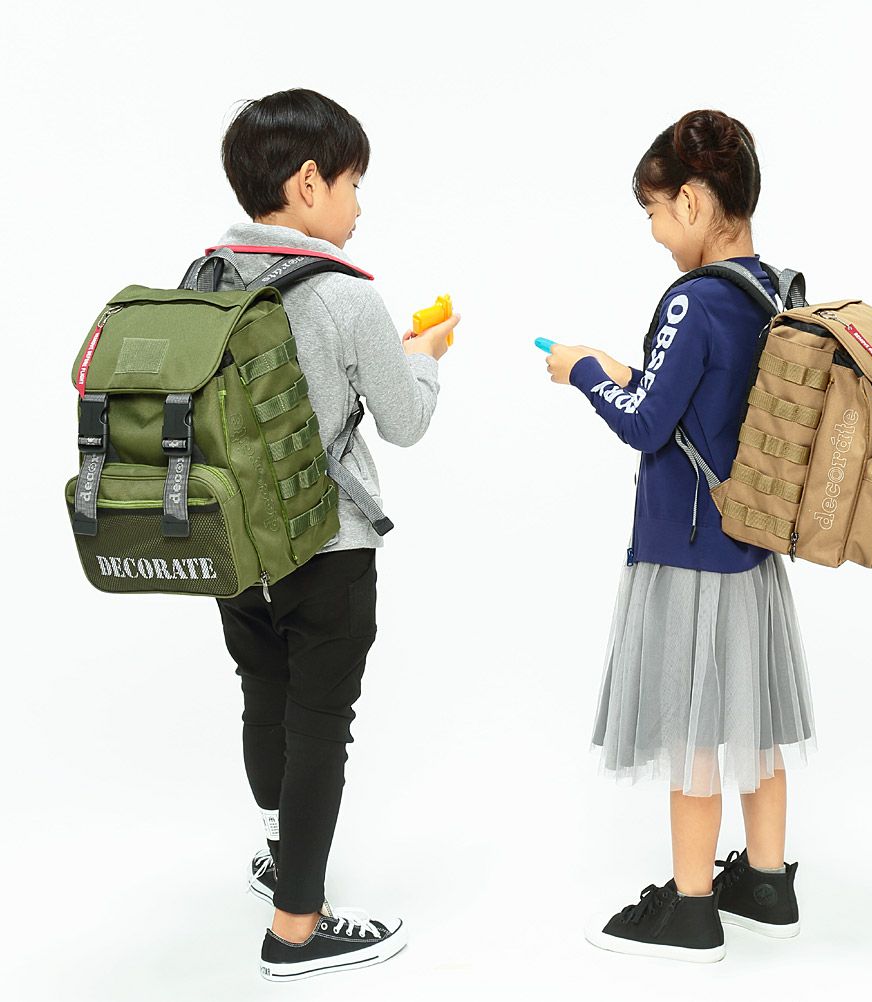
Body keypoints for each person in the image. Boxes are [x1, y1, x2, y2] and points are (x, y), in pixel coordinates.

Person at [541, 109, 816, 963]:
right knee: (756, 724)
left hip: (687, 547)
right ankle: (766, 883)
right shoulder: (772, 290)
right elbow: (708, 401)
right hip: (751, 548)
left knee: (693, 730)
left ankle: (692, 908)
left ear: (693, 202)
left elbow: (647, 424)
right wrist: (629, 371)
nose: (658, 233)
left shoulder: (692, 299)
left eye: (657, 213)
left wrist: (584, 373)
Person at [211, 88, 459, 981]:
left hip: (232, 543)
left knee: (263, 697)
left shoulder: (203, 278)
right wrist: (424, 359)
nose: (359, 205)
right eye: (354, 184)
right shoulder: (346, 295)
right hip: (328, 547)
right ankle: (296, 931)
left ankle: (283, 858)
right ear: (309, 182)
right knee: (320, 726)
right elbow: (404, 423)